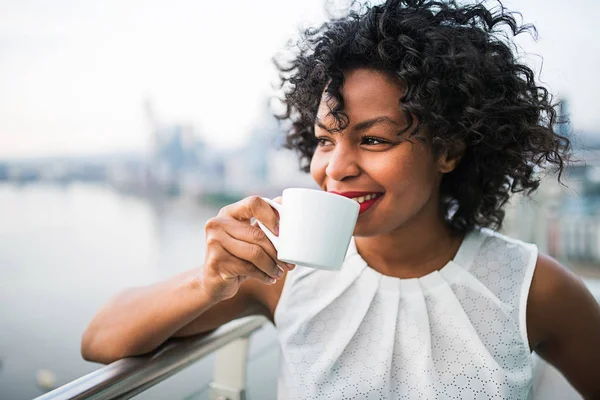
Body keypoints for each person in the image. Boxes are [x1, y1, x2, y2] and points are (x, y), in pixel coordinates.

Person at [81, 0, 600, 398]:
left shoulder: (530, 288)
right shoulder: (282, 272)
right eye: (326, 139)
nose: (336, 167)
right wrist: (208, 282)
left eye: (374, 139)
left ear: (449, 149)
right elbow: (100, 339)